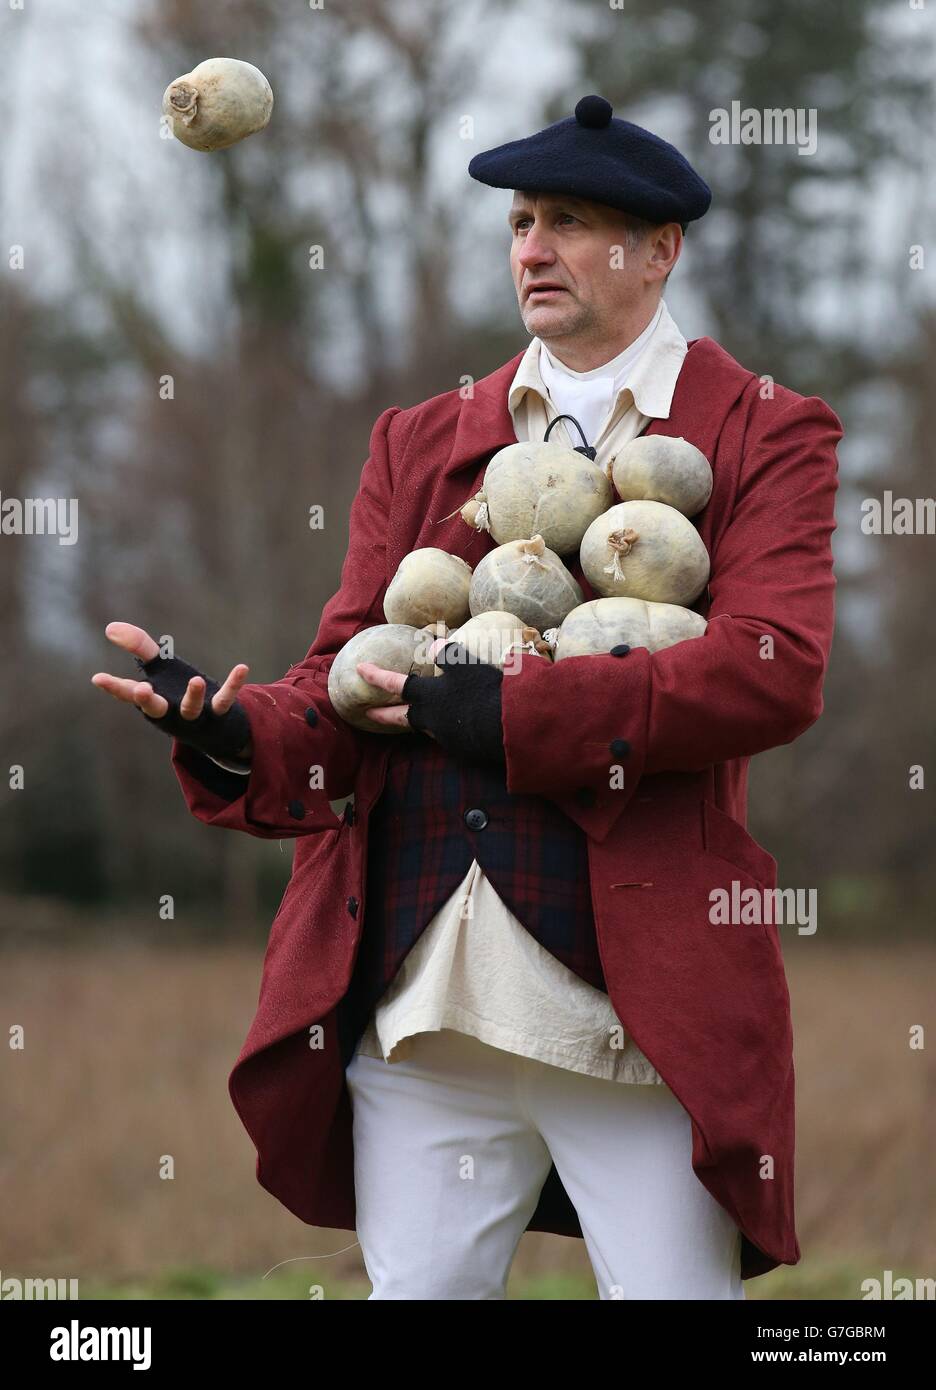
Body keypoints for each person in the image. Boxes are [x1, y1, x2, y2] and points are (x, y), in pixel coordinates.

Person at [92, 95, 843, 1300]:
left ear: (660, 252)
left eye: (572, 222)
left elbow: (771, 666)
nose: (533, 249)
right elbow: (345, 682)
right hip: (421, 990)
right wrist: (233, 729)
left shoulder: (762, 432)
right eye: (521, 221)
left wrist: (507, 717)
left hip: (632, 1007)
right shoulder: (422, 437)